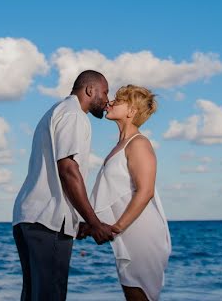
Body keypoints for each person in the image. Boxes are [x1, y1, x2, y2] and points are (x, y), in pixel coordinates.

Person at [12, 70, 114, 301]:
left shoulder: (56, 111)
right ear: (90, 90)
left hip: (30, 218)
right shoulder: (74, 115)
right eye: (105, 92)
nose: (108, 100)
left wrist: (75, 221)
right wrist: (94, 222)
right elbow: (68, 170)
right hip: (48, 221)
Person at [91, 85, 171, 301]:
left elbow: (146, 192)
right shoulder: (121, 144)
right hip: (127, 230)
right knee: (132, 292)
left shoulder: (139, 144)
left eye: (118, 100)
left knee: (139, 293)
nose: (110, 102)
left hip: (140, 230)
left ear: (131, 111)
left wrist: (117, 227)